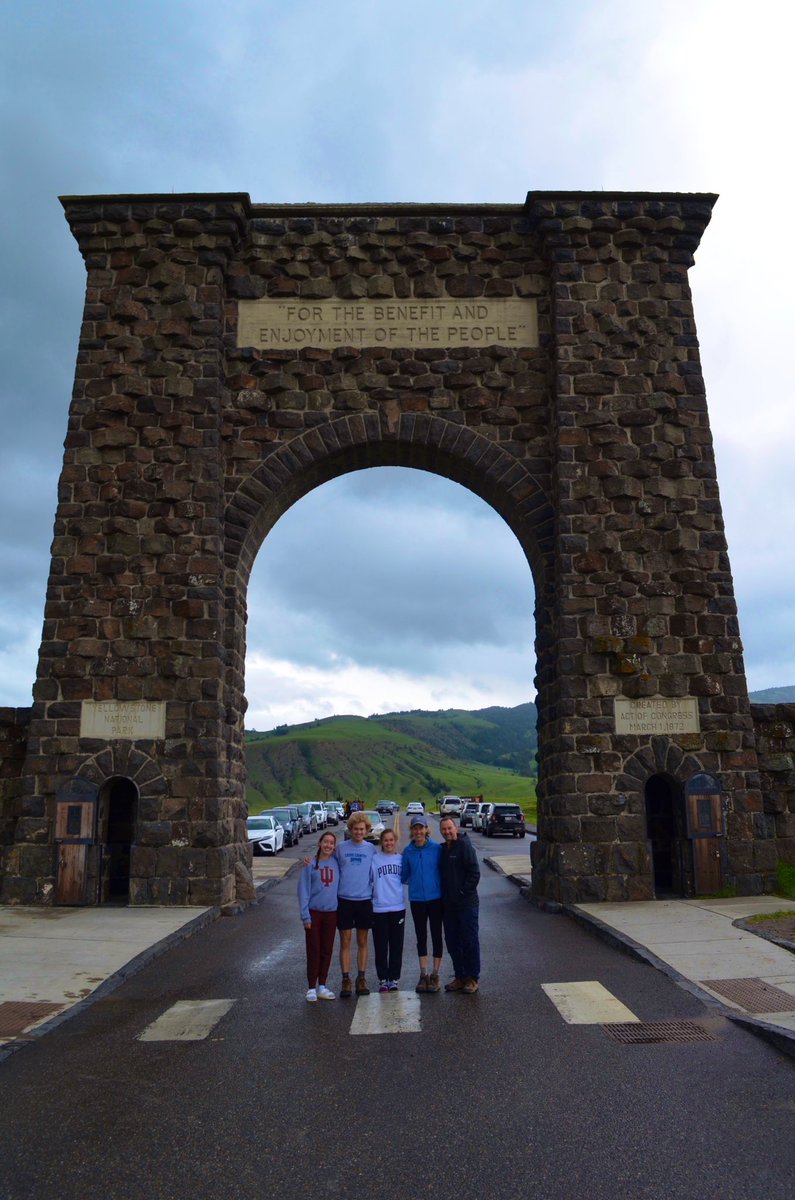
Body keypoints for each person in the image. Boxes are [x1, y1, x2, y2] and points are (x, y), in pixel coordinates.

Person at [400, 815, 443, 993]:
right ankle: (423, 974)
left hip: (435, 898)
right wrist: (416, 882)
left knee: (436, 935)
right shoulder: (408, 851)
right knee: (421, 936)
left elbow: (443, 869)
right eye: (415, 828)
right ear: (412, 831)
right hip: (417, 899)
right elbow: (403, 876)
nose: (418, 831)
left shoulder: (436, 848)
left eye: (421, 828)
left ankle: (435, 974)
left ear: (426, 830)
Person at [438, 816, 481, 994]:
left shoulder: (464, 846)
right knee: (453, 941)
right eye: (444, 829)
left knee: (469, 940)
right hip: (448, 905)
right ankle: (459, 975)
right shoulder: (443, 850)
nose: (447, 832)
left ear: (455, 828)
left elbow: (474, 873)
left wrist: (462, 892)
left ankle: (472, 978)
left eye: (449, 828)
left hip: (466, 904)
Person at [336, 811, 376, 997]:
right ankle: (346, 979)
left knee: (362, 941)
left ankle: (361, 977)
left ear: (366, 830)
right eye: (355, 829)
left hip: (364, 900)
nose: (358, 832)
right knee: (345, 941)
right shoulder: (341, 848)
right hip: (344, 900)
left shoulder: (371, 849)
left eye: (362, 829)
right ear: (350, 830)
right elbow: (327, 863)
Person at [297, 831, 339, 1003]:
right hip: (314, 913)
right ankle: (311, 987)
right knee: (313, 949)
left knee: (326, 950)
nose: (328, 845)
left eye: (331, 843)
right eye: (326, 842)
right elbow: (303, 891)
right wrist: (305, 916)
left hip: (331, 913)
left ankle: (322, 984)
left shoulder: (337, 863)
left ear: (334, 846)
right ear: (320, 843)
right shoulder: (310, 865)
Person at [370, 828, 405, 992]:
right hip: (379, 908)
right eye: (386, 840)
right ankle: (383, 979)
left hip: (397, 907)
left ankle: (394, 978)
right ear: (381, 842)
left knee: (396, 945)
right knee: (381, 945)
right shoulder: (374, 860)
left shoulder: (401, 860)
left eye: (391, 840)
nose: (389, 843)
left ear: (395, 841)